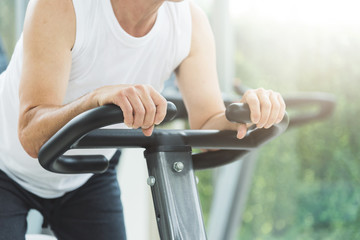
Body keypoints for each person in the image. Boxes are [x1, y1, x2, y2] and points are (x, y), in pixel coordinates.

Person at [0, 0, 286, 239]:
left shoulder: (190, 24)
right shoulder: (65, 6)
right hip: (6, 168)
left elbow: (210, 125)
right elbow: (31, 133)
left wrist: (249, 114)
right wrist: (95, 98)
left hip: (85, 177)